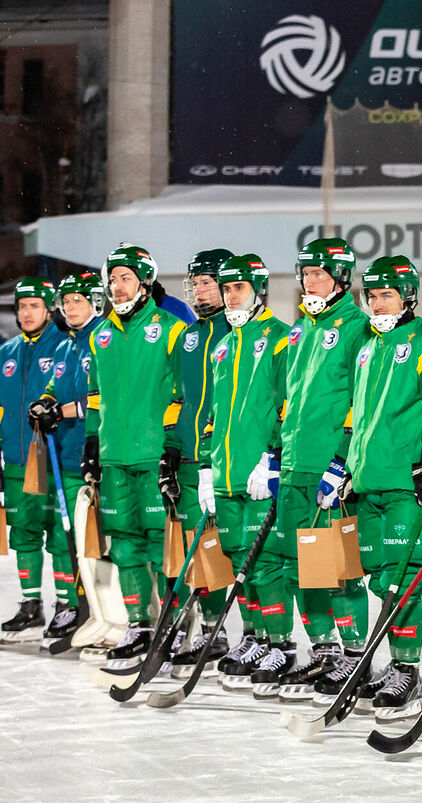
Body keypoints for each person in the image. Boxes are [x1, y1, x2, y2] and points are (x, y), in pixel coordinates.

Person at [235, 238, 368, 697]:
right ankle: (325, 650)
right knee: (302, 568)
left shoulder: (358, 329)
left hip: (327, 468)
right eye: (306, 274)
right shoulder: (298, 332)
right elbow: (288, 402)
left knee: (338, 571)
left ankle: (355, 657)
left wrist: (342, 459)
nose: (310, 282)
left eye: (319, 274)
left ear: (341, 278)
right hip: (293, 466)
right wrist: (273, 453)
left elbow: (362, 401)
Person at [338, 256, 422, 721]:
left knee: (404, 583)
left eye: (387, 294)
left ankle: (407, 671)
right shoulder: (367, 345)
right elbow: (358, 412)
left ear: (408, 296)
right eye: (372, 295)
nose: (378, 303)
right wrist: (345, 464)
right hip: (369, 482)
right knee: (378, 579)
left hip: (406, 484)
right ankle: (389, 664)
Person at [184, 253, 288, 683]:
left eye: (237, 288)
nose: (229, 297)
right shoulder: (223, 346)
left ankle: (280, 643)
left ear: (258, 289)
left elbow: (288, 405)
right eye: (225, 289)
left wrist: (273, 456)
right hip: (226, 473)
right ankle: (254, 635)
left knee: (264, 563)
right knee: (238, 557)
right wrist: (206, 467)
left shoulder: (281, 338)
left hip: (258, 471)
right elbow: (214, 413)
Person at [88, 245, 187, 671]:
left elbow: (183, 394)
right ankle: (139, 625)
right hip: (114, 456)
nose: (117, 286)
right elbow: (95, 397)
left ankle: (173, 626)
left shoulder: (172, 328)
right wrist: (91, 445)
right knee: (125, 546)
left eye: (125, 278)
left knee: (163, 544)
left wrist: (173, 444)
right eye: (112, 279)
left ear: (145, 282)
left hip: (153, 454)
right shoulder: (100, 335)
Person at [166, 248, 236, 667]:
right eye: (196, 283)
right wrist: (171, 448)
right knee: (200, 548)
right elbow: (178, 398)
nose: (200, 290)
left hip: (231, 461)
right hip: (192, 460)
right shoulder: (188, 337)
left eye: (207, 282)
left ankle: (265, 636)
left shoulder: (241, 332)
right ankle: (213, 629)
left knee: (239, 550)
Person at [29, 271, 106, 647]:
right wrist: (44, 403)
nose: (70, 307)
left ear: (95, 301)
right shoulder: (64, 347)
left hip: (99, 456)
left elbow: (103, 397)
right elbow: (52, 387)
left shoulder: (104, 338)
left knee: (101, 542)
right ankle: (75, 606)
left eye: (78, 300)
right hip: (65, 456)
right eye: (66, 301)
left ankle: (111, 611)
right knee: (67, 538)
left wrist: (62, 411)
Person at [0, 276, 64, 642]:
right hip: (16, 457)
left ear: (48, 309)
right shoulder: (7, 351)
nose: (26, 313)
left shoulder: (63, 345)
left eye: (34, 306)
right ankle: (30, 605)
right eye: (22, 306)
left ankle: (67, 605)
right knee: (23, 532)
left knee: (58, 534)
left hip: (51, 456)